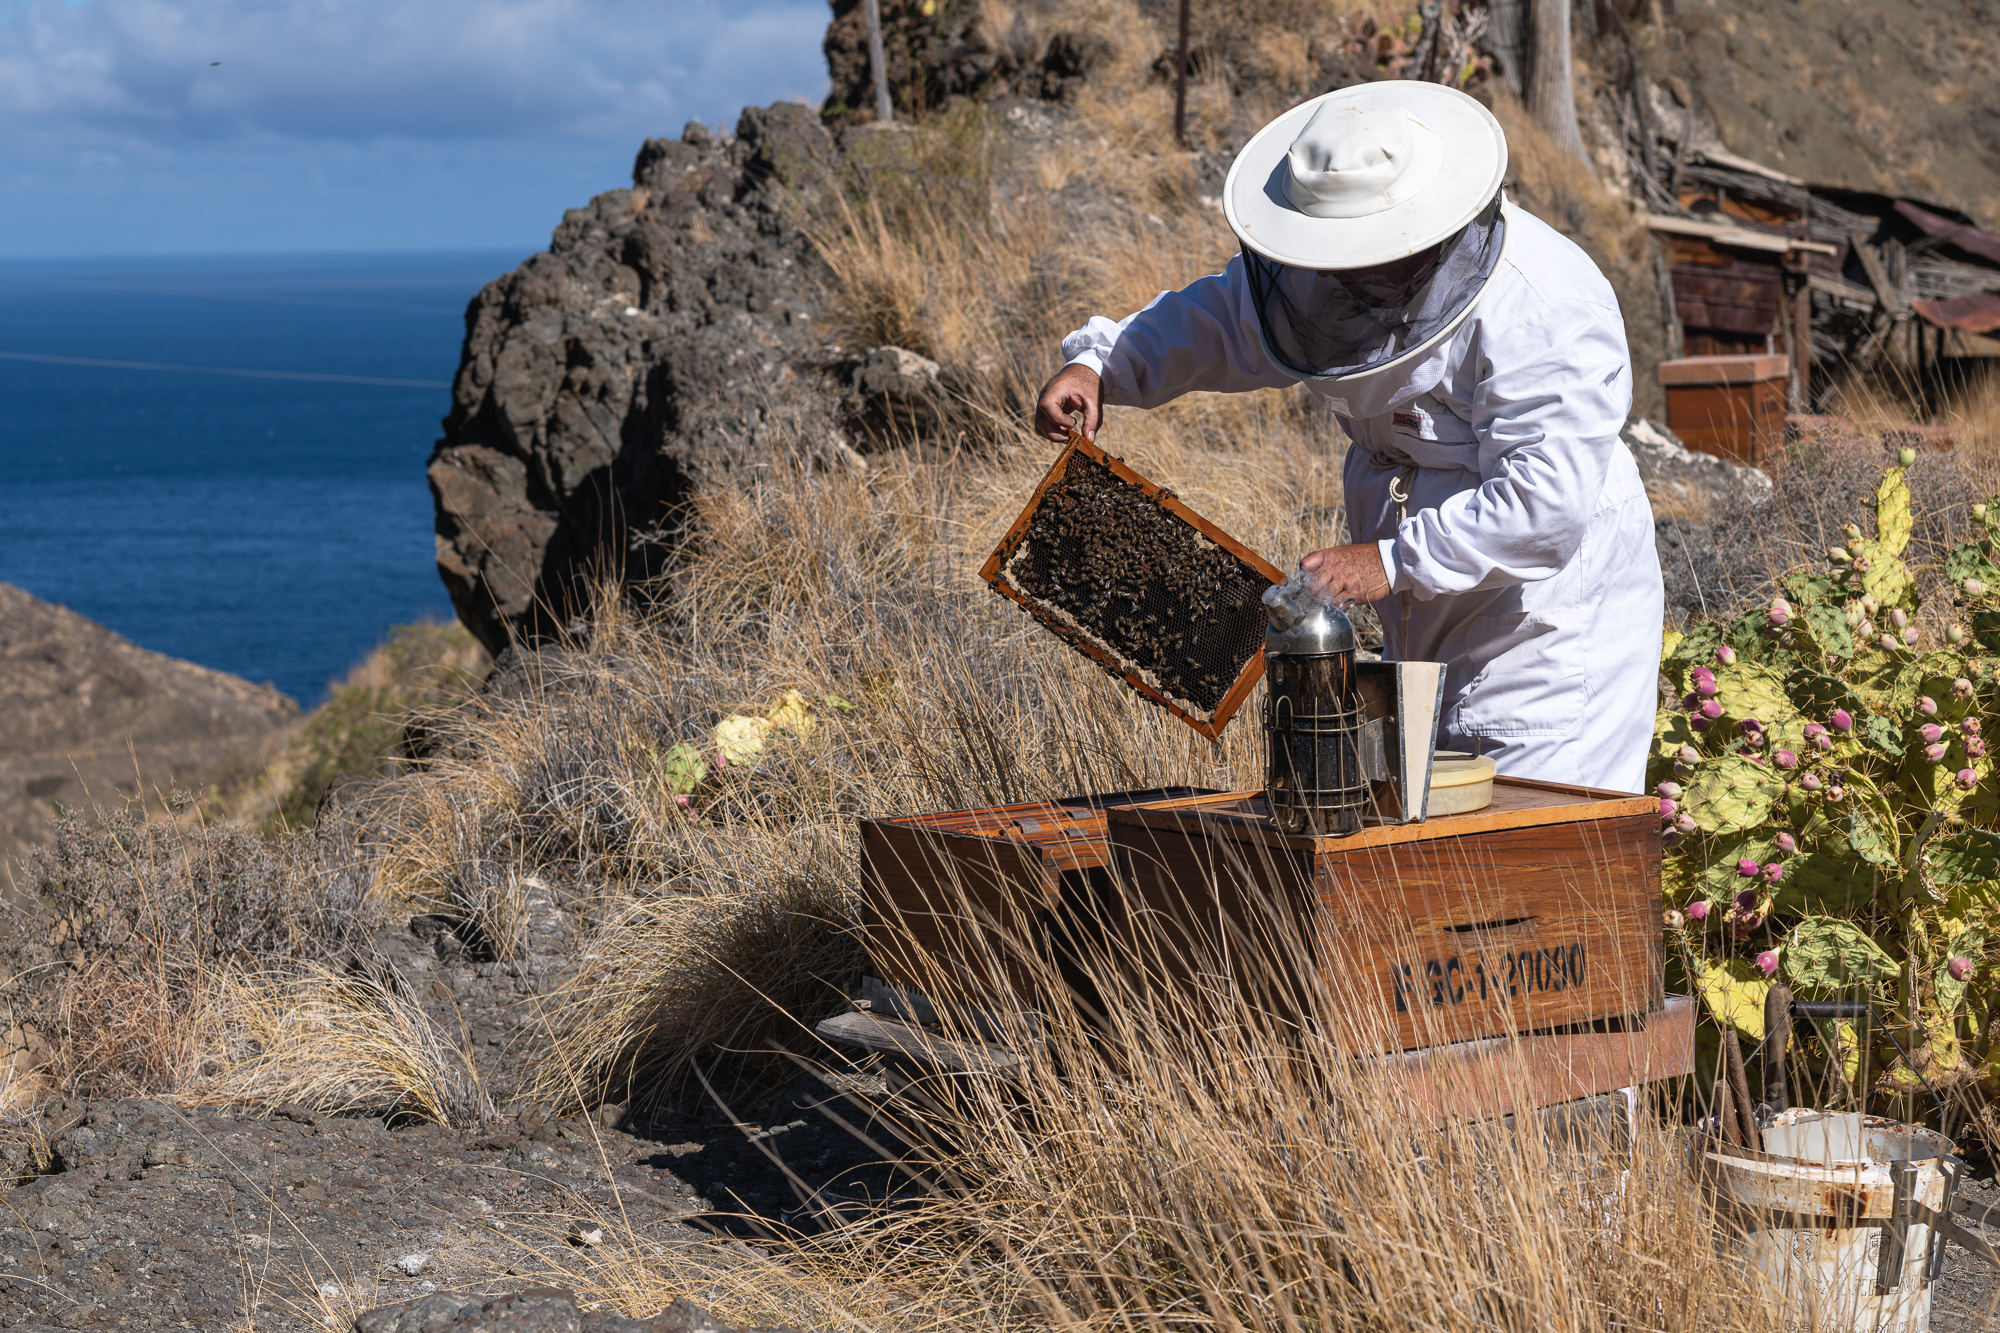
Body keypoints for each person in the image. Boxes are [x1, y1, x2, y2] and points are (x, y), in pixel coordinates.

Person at [1034, 82, 1663, 794]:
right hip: (1421, 595)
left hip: (1544, 620)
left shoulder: (1545, 304)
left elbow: (1544, 505)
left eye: (1370, 260)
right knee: (1422, 823)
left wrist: (1390, 562)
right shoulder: (1321, 279)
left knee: (1532, 841)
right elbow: (1222, 318)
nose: (1353, 276)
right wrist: (1104, 364)